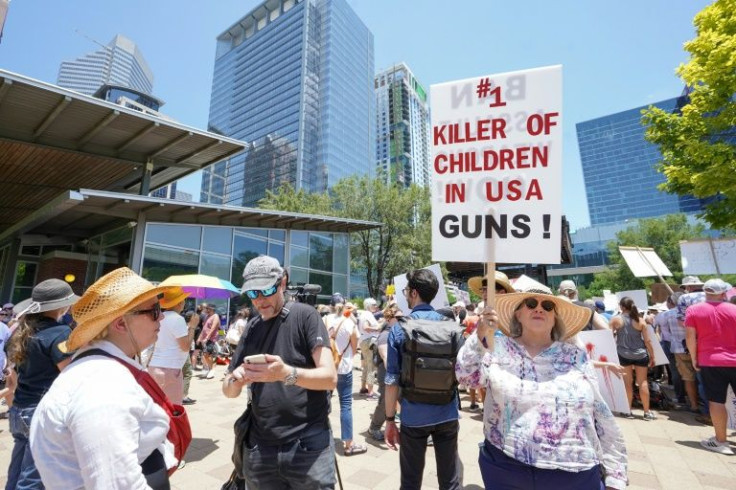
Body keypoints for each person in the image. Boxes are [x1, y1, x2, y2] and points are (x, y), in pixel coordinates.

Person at [456, 285, 628, 490]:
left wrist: (615, 474)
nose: (539, 309)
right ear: (518, 314)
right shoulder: (498, 350)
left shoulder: (575, 355)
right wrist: (480, 335)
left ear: (555, 318)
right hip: (506, 468)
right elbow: (466, 377)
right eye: (530, 304)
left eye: (547, 306)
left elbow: (600, 412)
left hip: (575, 474)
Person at [28, 267, 185, 489]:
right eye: (153, 310)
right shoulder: (102, 385)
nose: (161, 316)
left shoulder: (101, 369)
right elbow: (116, 483)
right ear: (121, 323)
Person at [223, 255, 337, 489]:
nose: (260, 300)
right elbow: (228, 390)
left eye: (266, 290)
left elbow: (330, 378)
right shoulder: (252, 327)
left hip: (308, 445)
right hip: (260, 447)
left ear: (282, 283)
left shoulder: (305, 316)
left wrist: (285, 373)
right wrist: (236, 381)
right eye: (253, 294)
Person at [385, 268, 461, 490]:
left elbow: (391, 381)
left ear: (414, 293)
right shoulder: (453, 328)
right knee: (450, 480)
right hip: (447, 413)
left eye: (407, 290)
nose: (406, 294)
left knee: (410, 481)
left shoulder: (400, 329)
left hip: (413, 416)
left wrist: (390, 420)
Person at [5, 278, 79, 490]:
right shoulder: (60, 333)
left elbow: (14, 375)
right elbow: (70, 373)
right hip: (41, 410)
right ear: (60, 306)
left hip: (19, 409)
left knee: (17, 469)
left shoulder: (23, 331)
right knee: (34, 477)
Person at [684, 278, 736, 455]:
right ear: (723, 293)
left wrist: (693, 358)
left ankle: (721, 441)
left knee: (716, 400)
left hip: (710, 359)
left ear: (705, 292)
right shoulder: (734, 309)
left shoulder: (693, 310)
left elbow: (690, 338)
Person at [330, 302, 367, 455]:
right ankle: (348, 444)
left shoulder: (326, 319)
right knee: (345, 404)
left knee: (322, 403)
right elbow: (355, 344)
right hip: (344, 366)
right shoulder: (349, 323)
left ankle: (318, 438)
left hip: (327, 366)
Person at [611, 297, 656, 420]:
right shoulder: (641, 321)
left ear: (621, 306)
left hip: (623, 354)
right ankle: (647, 412)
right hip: (640, 354)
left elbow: (608, 337)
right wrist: (652, 356)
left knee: (627, 383)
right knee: (643, 382)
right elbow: (647, 341)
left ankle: (628, 411)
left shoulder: (616, 320)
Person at [148, 287, 192, 405]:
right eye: (183, 300)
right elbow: (185, 347)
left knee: (156, 405)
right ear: (179, 303)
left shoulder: (159, 317)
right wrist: (192, 326)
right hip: (170, 368)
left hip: (154, 366)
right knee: (172, 408)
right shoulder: (178, 319)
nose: (184, 303)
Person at [677, 275, 710, 424]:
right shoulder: (714, 297)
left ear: (688, 287)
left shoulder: (685, 299)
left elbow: (682, 323)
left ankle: (707, 413)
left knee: (702, 380)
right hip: (719, 343)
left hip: (698, 343)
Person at [368, 303, 400, 441]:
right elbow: (386, 357)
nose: (401, 320)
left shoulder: (396, 332)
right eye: (398, 318)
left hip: (395, 374)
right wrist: (393, 377)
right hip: (387, 374)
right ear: (389, 318)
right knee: (385, 402)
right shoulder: (386, 335)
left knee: (399, 400)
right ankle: (374, 427)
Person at [655, 293, 686, 406]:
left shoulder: (666, 315)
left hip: (672, 345)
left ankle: (681, 397)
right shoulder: (688, 311)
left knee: (675, 371)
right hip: (689, 345)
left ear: (670, 302)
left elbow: (655, 325)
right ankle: (693, 398)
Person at [357, 298, 380, 397]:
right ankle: (370, 392)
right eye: (374, 304)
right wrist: (378, 328)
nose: (376, 306)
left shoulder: (363, 314)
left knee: (366, 365)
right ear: (368, 305)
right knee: (371, 367)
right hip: (370, 341)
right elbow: (366, 327)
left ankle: (363, 388)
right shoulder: (368, 314)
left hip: (364, 340)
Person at [197, 304, 220, 379]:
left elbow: (213, 328)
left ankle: (212, 369)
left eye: (208, 308)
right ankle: (210, 369)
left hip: (211, 339)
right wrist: (199, 338)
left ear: (212, 309)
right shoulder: (207, 317)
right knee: (205, 354)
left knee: (207, 354)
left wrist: (207, 338)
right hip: (204, 339)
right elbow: (204, 329)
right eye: (206, 308)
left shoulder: (215, 316)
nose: (206, 310)